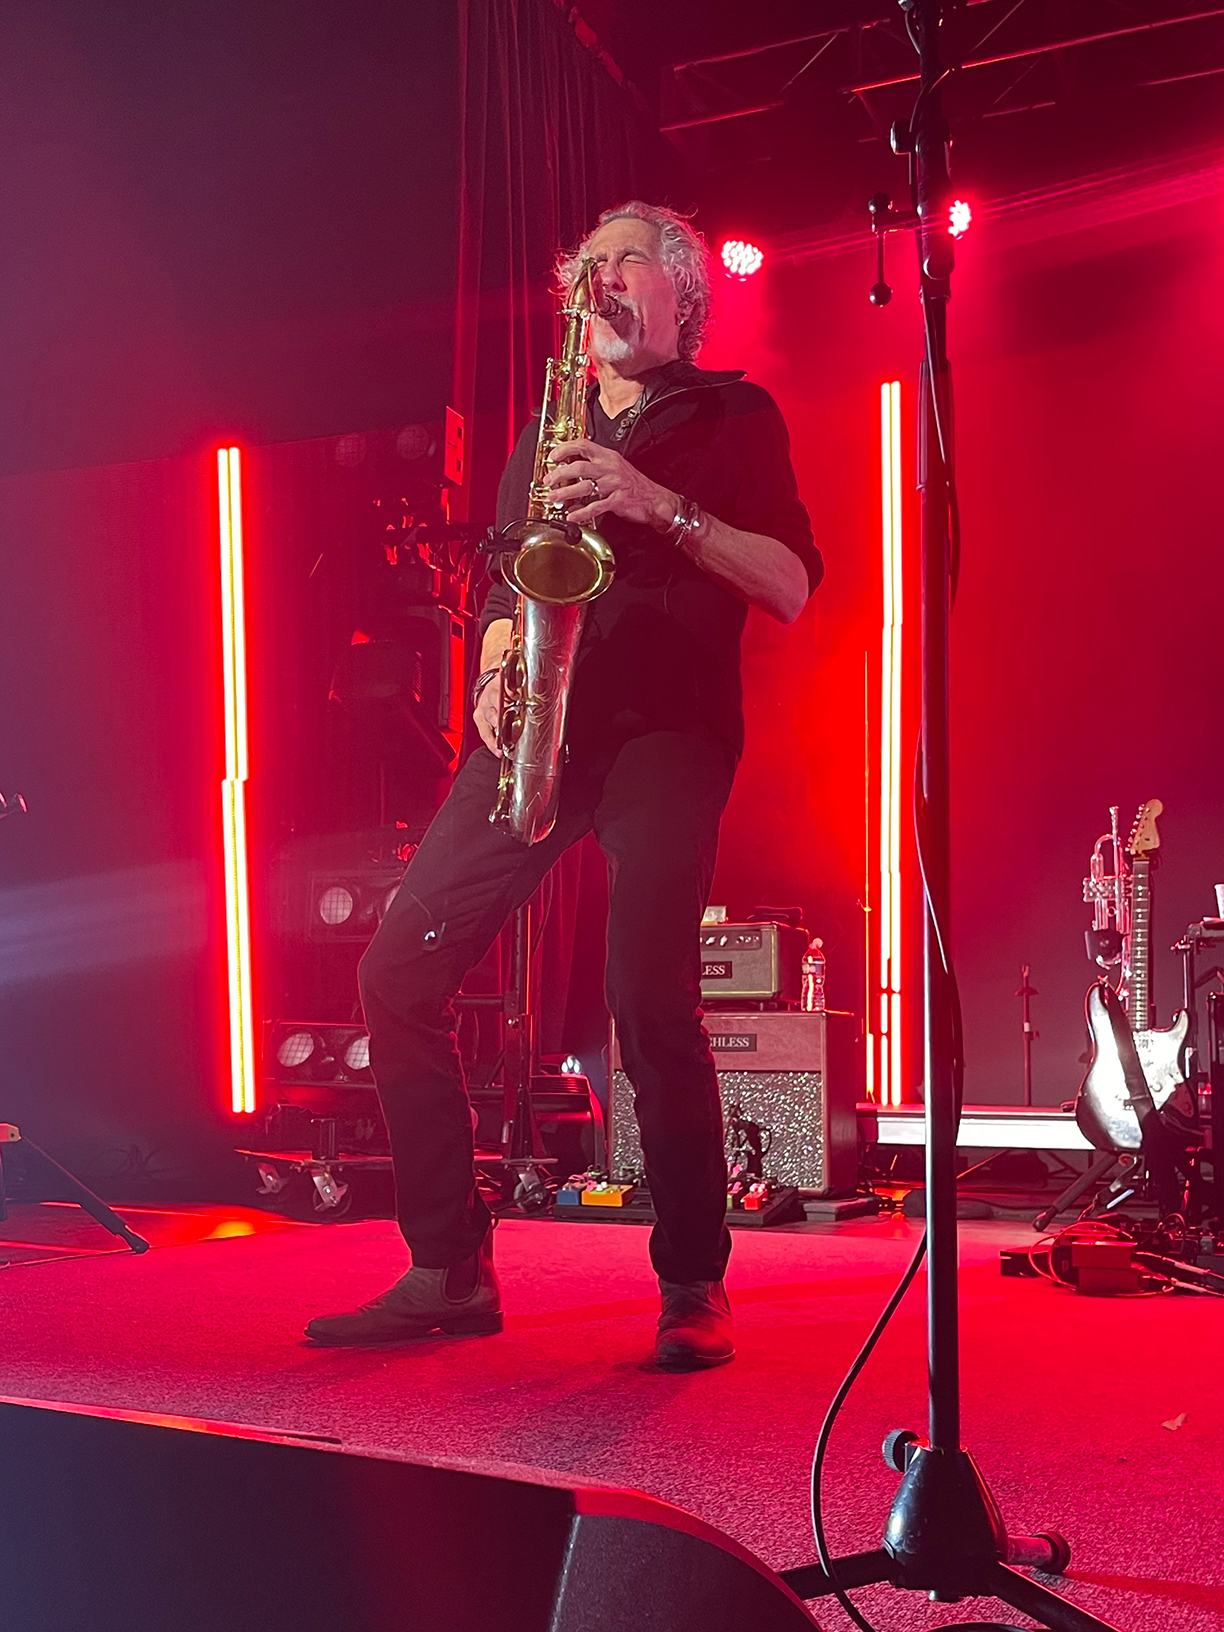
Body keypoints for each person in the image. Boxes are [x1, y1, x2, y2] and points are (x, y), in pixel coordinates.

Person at [306, 201, 822, 1369]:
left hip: (665, 734)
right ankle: (449, 1267)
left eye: (623, 260)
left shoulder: (735, 413)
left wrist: (657, 506)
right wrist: (494, 671)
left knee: (648, 1002)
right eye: (585, 268)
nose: (599, 281)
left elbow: (789, 583)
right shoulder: (546, 431)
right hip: (540, 721)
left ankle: (692, 1277)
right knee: (398, 970)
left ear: (683, 295)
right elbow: (506, 589)